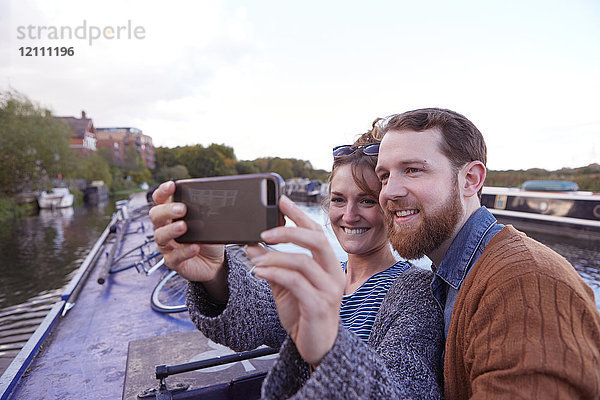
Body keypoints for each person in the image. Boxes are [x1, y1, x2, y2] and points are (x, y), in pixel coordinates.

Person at [260, 107, 600, 399]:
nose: (389, 192)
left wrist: (328, 348)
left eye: (413, 170)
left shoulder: (525, 283)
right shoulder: (458, 277)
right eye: (385, 175)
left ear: (470, 180)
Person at [149, 129, 444, 398]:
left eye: (367, 201)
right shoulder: (321, 279)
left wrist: (326, 347)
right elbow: (253, 321)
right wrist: (214, 272)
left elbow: (408, 391)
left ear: (389, 206)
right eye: (339, 200)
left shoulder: (416, 292)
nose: (349, 215)